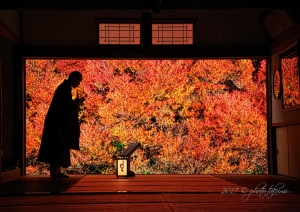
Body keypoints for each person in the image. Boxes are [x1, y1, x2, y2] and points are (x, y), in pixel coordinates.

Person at [37, 71, 85, 178]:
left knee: (58, 145)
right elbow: (64, 109)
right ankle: (55, 172)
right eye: (78, 81)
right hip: (57, 124)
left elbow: (65, 107)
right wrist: (76, 103)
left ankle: (56, 171)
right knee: (57, 145)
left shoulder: (64, 88)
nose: (78, 84)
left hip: (56, 122)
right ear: (73, 78)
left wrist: (75, 103)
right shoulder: (64, 89)